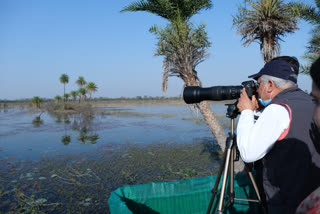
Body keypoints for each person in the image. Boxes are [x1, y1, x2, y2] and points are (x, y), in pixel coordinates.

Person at [236, 59, 320, 213]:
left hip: (286, 201)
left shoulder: (277, 109)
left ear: (269, 85)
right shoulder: (311, 101)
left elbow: (248, 153)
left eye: (259, 83)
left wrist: (247, 111)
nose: (257, 89)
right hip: (311, 195)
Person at [295, 57, 320, 214]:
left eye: (317, 101)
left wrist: (247, 113)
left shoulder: (312, 207)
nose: (315, 116)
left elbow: (249, 154)